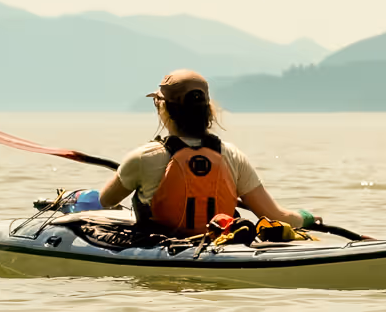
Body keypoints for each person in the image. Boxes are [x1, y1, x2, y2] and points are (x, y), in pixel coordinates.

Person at [95, 70, 318, 236]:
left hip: (160, 248)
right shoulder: (232, 156)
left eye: (156, 103)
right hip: (217, 244)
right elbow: (275, 217)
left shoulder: (143, 158)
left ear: (164, 108)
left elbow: (106, 200)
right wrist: (307, 218)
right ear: (208, 109)